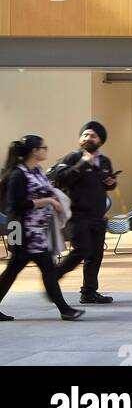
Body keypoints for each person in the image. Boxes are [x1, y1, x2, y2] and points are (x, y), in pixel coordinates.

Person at [0, 134, 85, 321]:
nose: (46, 150)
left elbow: (47, 188)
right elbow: (16, 205)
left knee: (15, 270)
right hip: (22, 230)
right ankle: (65, 309)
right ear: (34, 151)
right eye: (43, 148)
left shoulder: (36, 171)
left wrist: (54, 199)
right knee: (44, 268)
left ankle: (65, 309)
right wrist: (47, 201)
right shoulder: (18, 175)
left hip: (37, 231)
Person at [51, 121, 117, 305]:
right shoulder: (72, 158)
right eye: (85, 135)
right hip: (76, 215)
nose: (88, 138)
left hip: (97, 216)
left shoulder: (104, 161)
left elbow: (104, 183)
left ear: (100, 140)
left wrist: (111, 183)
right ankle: (53, 276)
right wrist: (82, 163)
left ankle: (89, 292)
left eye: (92, 135)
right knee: (82, 250)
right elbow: (61, 179)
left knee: (96, 255)